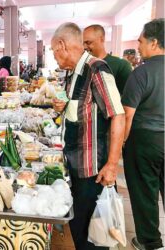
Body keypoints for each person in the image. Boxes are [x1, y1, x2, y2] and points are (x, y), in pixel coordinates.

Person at [51, 22, 125, 250]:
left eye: (54, 50)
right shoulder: (73, 74)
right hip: (75, 164)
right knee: (79, 227)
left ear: (62, 45)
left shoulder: (97, 70)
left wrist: (112, 164)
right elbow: (82, 112)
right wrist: (61, 108)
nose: (54, 57)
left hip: (92, 169)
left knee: (93, 235)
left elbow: (118, 116)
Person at [122, 18, 164, 250]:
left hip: (145, 141)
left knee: (144, 191)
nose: (138, 46)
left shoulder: (141, 73)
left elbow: (127, 115)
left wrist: (122, 143)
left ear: (154, 42)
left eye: (141, 41)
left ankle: (150, 242)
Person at [83, 24, 132, 95]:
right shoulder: (84, 64)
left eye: (88, 42)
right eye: (83, 43)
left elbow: (127, 97)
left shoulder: (121, 65)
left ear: (102, 39)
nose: (84, 47)